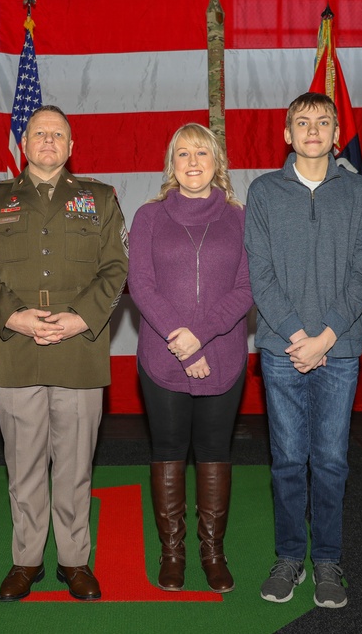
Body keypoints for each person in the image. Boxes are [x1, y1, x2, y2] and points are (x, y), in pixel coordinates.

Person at [0, 105, 128, 602]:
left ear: (72, 146)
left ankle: (74, 561)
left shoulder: (100, 198)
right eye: (40, 134)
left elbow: (116, 268)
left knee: (76, 467)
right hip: (17, 351)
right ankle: (27, 561)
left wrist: (80, 318)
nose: (49, 142)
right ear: (24, 143)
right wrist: (15, 317)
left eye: (59, 134)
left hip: (79, 350)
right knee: (25, 466)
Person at [245, 92, 362, 609]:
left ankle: (326, 560)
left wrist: (325, 336)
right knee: (285, 460)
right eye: (302, 122)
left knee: (329, 460)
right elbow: (259, 272)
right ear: (287, 134)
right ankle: (288, 558)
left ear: (334, 132)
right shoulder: (263, 192)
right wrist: (297, 335)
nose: (312, 130)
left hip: (340, 349)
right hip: (281, 350)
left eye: (322, 122)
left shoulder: (361, 193)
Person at [128, 123, 252, 593]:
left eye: (203, 152)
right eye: (183, 153)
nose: (194, 161)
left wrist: (197, 337)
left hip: (222, 355)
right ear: (171, 164)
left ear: (217, 162)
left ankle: (213, 552)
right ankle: (173, 552)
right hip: (160, 356)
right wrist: (181, 343)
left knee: (216, 451)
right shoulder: (148, 217)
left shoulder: (241, 218)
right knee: (168, 450)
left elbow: (247, 288)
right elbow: (140, 285)